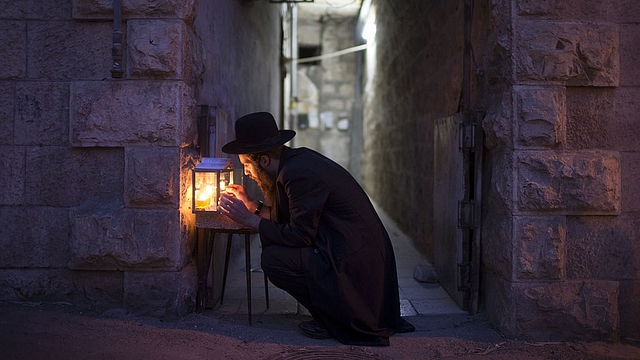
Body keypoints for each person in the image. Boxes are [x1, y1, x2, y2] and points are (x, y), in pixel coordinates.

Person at [218, 111, 414, 346]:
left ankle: (334, 319)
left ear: (264, 161)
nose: (247, 173)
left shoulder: (297, 174)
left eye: (247, 165)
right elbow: (289, 219)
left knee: (273, 260)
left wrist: (251, 221)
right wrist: (253, 206)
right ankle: (330, 313)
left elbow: (299, 235)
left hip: (356, 262)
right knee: (276, 251)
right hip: (346, 248)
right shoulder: (294, 163)